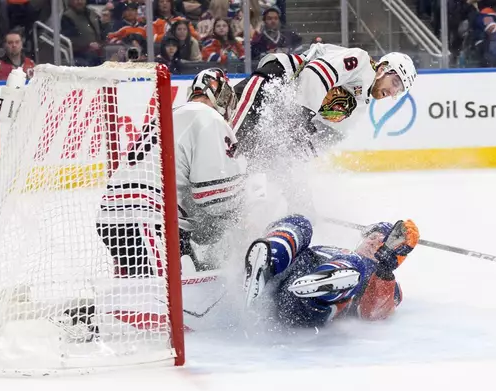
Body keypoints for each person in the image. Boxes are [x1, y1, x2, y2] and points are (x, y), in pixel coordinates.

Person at [96, 68, 244, 277]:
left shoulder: (171, 114)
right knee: (168, 300)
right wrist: (243, 208)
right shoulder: (208, 117)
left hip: (121, 214)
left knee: (184, 280)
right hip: (147, 219)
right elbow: (213, 198)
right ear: (220, 95)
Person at [229, 44, 418, 158]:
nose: (393, 91)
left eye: (399, 90)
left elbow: (325, 138)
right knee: (230, 135)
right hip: (278, 79)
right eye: (395, 82)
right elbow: (315, 73)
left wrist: (294, 160)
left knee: (252, 158)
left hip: (280, 111)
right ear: (383, 68)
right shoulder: (361, 62)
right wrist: (301, 119)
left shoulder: (359, 107)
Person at [243, 214, 419, 327]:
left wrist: (385, 270)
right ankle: (268, 261)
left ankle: (324, 285)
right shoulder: (335, 250)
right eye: (372, 237)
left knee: (354, 264)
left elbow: (374, 312)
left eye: (381, 243)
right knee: (301, 223)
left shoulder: (382, 279)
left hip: (303, 307)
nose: (373, 242)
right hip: (284, 275)